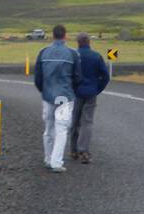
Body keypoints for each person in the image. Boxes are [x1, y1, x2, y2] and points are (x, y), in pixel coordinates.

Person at [32, 24, 81, 172]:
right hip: (64, 96)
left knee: (49, 128)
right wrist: (72, 91)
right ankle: (56, 162)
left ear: (53, 35)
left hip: (48, 96)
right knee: (61, 129)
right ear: (65, 36)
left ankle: (48, 158)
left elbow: (38, 77)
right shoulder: (72, 54)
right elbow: (77, 77)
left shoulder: (43, 52)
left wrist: (44, 91)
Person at [69, 32, 109, 163]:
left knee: (74, 120)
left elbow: (68, 75)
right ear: (89, 42)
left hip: (76, 93)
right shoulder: (96, 56)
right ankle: (84, 150)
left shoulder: (73, 55)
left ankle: (73, 150)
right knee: (87, 121)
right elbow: (105, 76)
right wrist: (97, 89)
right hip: (91, 92)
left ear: (78, 42)